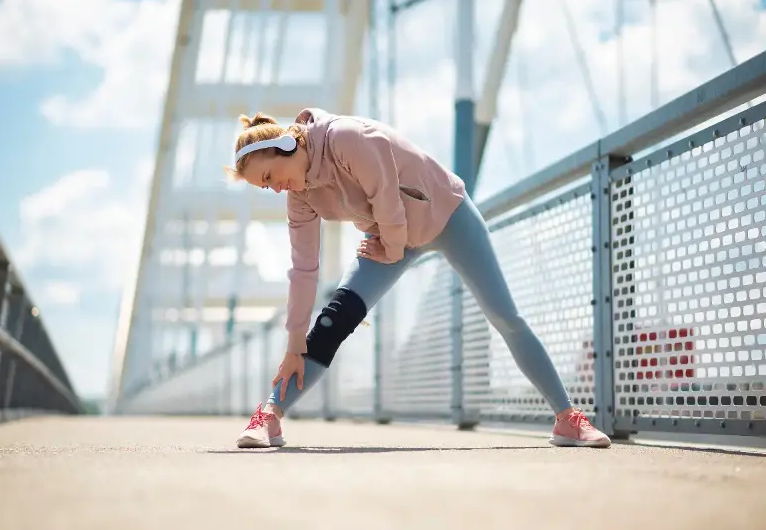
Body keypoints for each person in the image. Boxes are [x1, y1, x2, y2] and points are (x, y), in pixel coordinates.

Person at [224, 108, 612, 449]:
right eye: (266, 186)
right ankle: (269, 416)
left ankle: (568, 418)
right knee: (332, 321)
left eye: (270, 175)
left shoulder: (345, 137)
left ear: (287, 145)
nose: (276, 188)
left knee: (505, 316)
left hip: (447, 215)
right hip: (390, 240)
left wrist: (392, 248)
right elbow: (303, 269)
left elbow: (386, 195)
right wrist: (294, 343)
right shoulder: (300, 197)